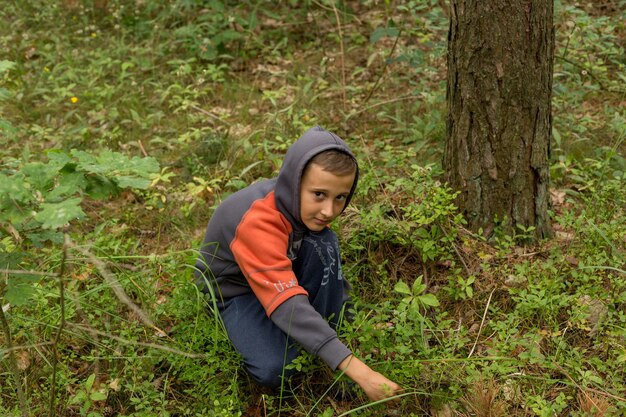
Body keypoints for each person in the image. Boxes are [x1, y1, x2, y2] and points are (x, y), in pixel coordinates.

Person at [194, 126, 400, 401]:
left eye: (340, 197)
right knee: (277, 367)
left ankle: (324, 341)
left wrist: (350, 320)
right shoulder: (258, 222)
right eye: (318, 194)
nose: (329, 210)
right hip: (235, 292)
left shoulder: (304, 214)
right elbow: (286, 303)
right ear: (294, 182)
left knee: (324, 242)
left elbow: (331, 275)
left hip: (280, 273)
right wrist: (360, 371)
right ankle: (317, 348)